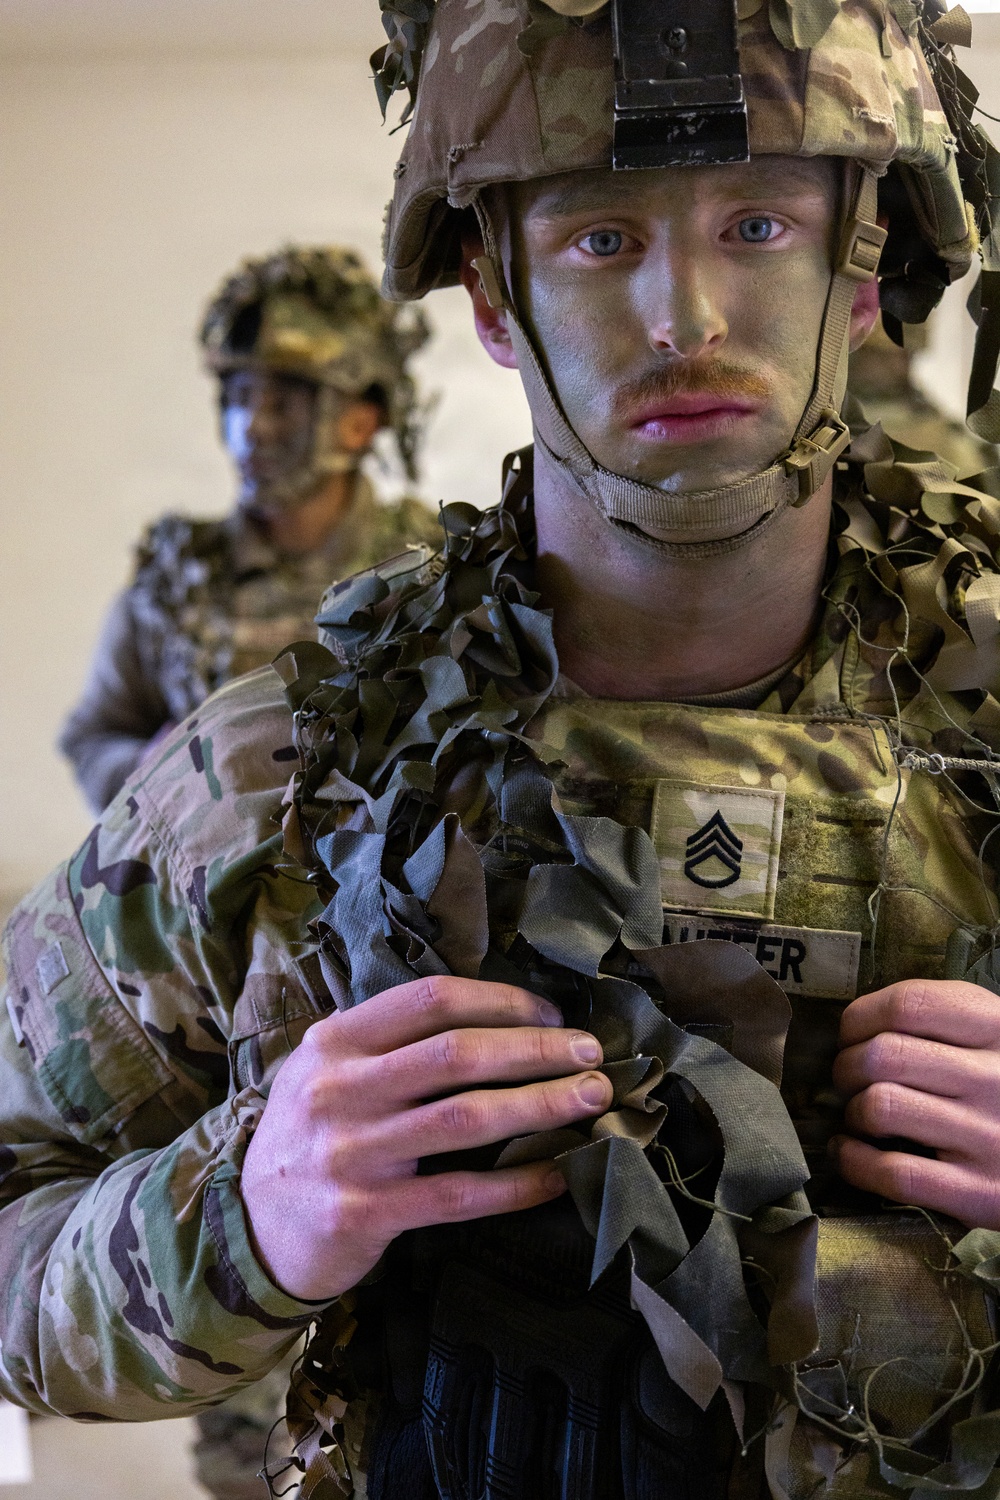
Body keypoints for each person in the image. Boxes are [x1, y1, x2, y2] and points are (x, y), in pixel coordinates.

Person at [6, 3, 1000, 1498]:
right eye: (602, 238)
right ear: (491, 294)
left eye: (756, 223)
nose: (686, 317)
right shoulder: (288, 765)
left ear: (862, 274)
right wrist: (250, 1218)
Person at [59, 245, 439, 814]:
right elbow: (96, 736)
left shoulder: (432, 573)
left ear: (361, 421)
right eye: (238, 399)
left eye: (282, 404)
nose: (251, 428)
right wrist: (150, 773)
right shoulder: (177, 578)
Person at [848, 312, 997, 475]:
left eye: (907, 355)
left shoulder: (940, 430)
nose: (901, 365)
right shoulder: (839, 415)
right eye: (884, 357)